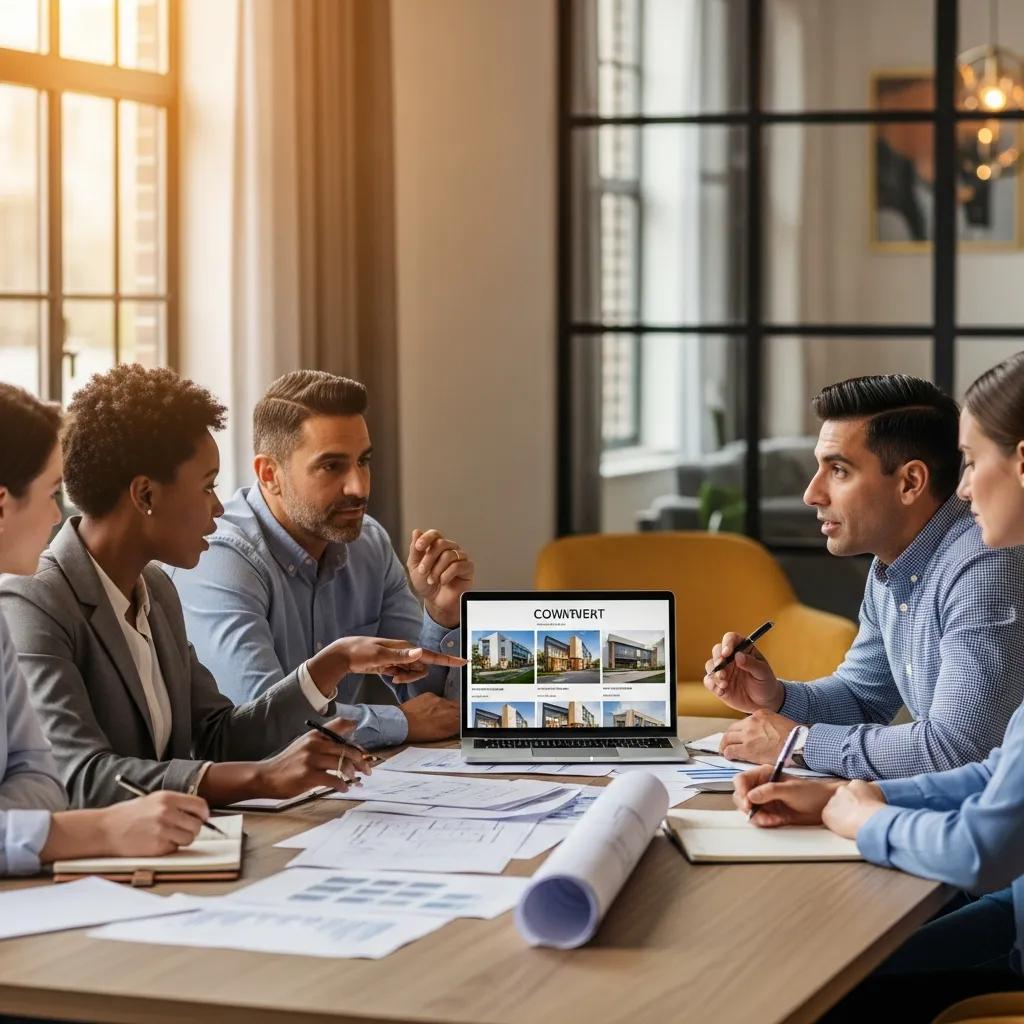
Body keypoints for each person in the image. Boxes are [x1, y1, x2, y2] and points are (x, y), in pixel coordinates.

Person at [0, 366, 463, 808]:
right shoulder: (32, 601)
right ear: (145, 495)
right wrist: (260, 778)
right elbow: (78, 777)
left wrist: (331, 663)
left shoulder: (155, 589)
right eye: (207, 486)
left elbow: (219, 734)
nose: (218, 508)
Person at [733, 352, 1024, 1021]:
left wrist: (858, 811)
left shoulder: (985, 565)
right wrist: (782, 707)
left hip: (1002, 908)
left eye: (973, 462)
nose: (964, 489)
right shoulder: (895, 565)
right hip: (1010, 906)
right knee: (805, 960)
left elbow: (966, 777)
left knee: (807, 981)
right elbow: (999, 772)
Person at [704, 374, 1024, 780]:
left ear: (910, 482)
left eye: (838, 470)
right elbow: (861, 697)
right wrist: (776, 697)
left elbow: (957, 748)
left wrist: (797, 744)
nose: (811, 494)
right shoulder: (894, 561)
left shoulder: (986, 565)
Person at [170, 370, 472, 749]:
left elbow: (427, 702)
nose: (359, 486)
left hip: (332, 789)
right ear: (269, 474)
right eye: (332, 466)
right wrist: (400, 724)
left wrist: (440, 613)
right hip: (241, 800)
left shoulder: (369, 544)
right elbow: (261, 723)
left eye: (363, 461)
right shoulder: (218, 557)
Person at [0, 382, 216, 873]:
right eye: (50, 493)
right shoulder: (26, 600)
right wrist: (90, 830)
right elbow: (72, 779)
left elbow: (37, 773)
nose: (58, 514)